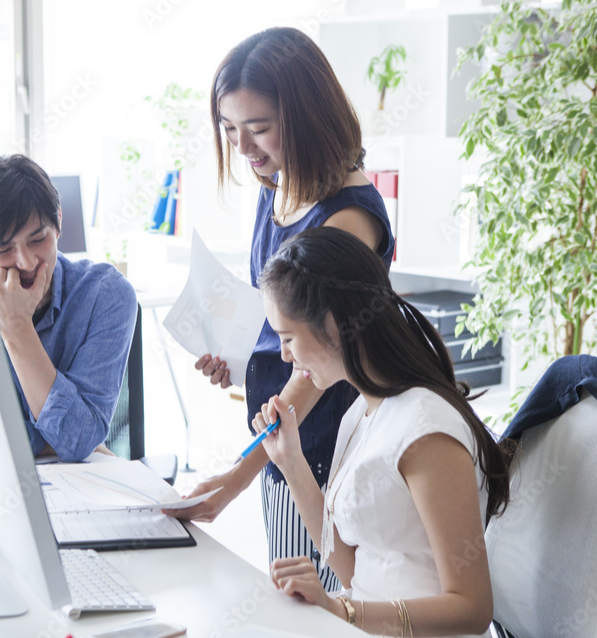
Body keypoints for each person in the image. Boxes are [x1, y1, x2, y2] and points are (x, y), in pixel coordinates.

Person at [170, 26, 394, 592]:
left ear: (307, 115)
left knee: (326, 605)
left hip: (325, 446)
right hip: (279, 438)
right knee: (296, 598)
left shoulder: (347, 218)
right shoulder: (278, 187)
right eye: (229, 129)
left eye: (259, 127)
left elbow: (314, 368)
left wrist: (236, 476)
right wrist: (240, 354)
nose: (243, 147)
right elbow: (281, 319)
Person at [251, 226, 511, 637]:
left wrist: (344, 611)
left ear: (332, 325)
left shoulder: (426, 431)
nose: (284, 355)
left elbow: (473, 608)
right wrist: (291, 463)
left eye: (287, 338)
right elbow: (355, 570)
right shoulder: (362, 413)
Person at [0, 154, 137, 463]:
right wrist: (52, 439)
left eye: (38, 239)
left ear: (58, 223)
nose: (27, 262)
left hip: (77, 485)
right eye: (4, 249)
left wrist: (17, 327)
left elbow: (77, 440)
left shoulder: (105, 294)